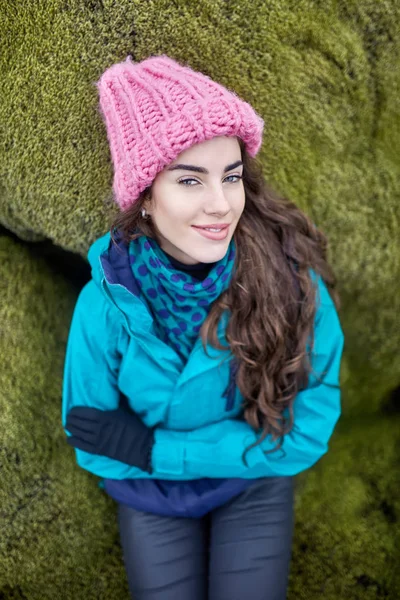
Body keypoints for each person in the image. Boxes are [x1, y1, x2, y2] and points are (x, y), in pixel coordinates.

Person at [62, 54, 345, 600]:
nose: (221, 205)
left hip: (252, 480)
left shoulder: (291, 283)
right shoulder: (105, 304)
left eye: (231, 176)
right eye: (190, 179)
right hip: (149, 494)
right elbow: (89, 434)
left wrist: (156, 451)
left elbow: (308, 427)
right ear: (145, 197)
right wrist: (145, 464)